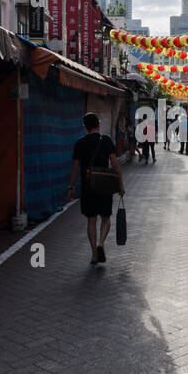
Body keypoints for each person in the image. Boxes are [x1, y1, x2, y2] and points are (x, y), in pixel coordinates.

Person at [68, 112, 125, 265]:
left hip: (88, 185)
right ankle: (101, 244)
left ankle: (94, 254)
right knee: (106, 218)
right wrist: (120, 183)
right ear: (99, 124)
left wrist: (71, 187)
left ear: (84, 127)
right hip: (105, 185)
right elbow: (115, 163)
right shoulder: (106, 140)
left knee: (91, 220)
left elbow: (75, 168)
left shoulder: (80, 143)